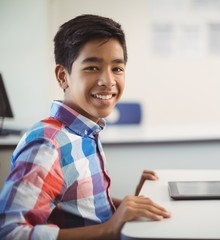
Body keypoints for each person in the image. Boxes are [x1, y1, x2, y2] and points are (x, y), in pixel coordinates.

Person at [0, 14, 171, 240]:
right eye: (92, 67)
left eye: (117, 69)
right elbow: (10, 232)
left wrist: (129, 205)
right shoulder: (47, 145)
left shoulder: (85, 132)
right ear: (63, 76)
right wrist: (109, 229)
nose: (108, 81)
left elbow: (79, 207)